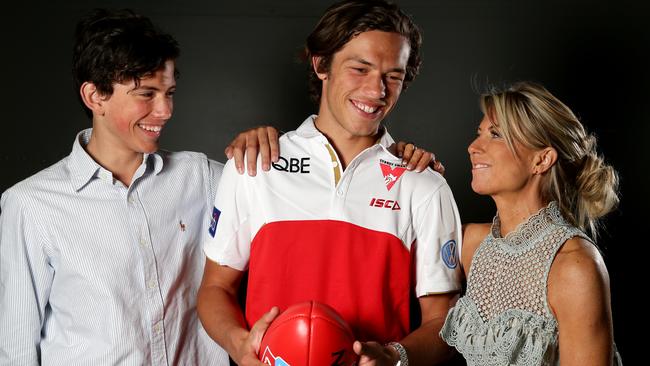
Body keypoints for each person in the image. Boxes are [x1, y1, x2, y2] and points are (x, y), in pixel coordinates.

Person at [0, 8, 435, 365]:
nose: (165, 110)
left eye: (170, 92)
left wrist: (406, 162)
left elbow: (288, 182)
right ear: (94, 96)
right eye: (147, 94)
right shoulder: (30, 205)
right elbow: (16, 349)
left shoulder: (205, 176)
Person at [197, 1, 462, 365]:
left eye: (393, 76)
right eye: (360, 69)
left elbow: (444, 321)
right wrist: (239, 344)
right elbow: (214, 288)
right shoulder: (255, 163)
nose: (377, 90)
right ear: (321, 65)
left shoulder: (424, 184)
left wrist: (395, 355)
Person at [439, 81, 622, 365]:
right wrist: (405, 168)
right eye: (479, 134)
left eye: (496, 135)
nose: (473, 147)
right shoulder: (470, 243)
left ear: (542, 159)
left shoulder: (575, 265)